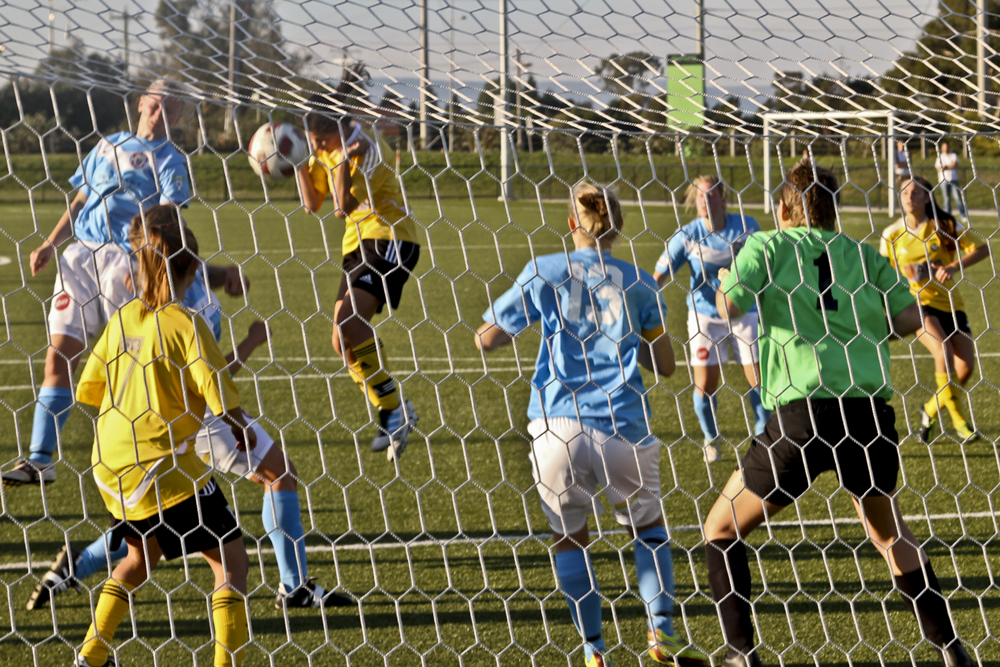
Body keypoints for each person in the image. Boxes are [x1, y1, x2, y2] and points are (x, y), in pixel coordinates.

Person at [702, 159, 971, 667]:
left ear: (785, 210)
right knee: (890, 534)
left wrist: (725, 281)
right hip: (867, 416)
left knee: (721, 528)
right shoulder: (864, 256)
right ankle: (950, 647)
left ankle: (740, 654)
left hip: (802, 415)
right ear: (833, 209)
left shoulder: (767, 246)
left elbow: (729, 307)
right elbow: (909, 318)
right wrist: (938, 348)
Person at [27, 207, 351, 612]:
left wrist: (225, 276)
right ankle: (294, 586)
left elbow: (100, 383)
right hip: (193, 417)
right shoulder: (175, 303)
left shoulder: (154, 282)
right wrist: (251, 344)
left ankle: (78, 566)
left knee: (153, 531)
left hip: (144, 427)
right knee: (276, 477)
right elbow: (205, 378)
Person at [476, 184, 706, 667]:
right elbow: (665, 365)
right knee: (648, 530)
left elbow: (488, 338)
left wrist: (523, 321)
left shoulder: (544, 270)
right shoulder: (638, 282)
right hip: (621, 424)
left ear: (571, 224)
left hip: (556, 426)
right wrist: (629, 336)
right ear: (618, 227)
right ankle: (661, 631)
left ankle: (594, 649)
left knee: (569, 538)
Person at [2, 80, 243, 486]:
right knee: (59, 355)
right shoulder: (107, 145)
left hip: (127, 264)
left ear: (179, 115)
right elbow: (80, 200)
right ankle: (40, 460)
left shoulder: (170, 160)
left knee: (135, 367)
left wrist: (151, 261)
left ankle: (170, 451)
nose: (161, 112)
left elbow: (168, 220)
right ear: (141, 103)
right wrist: (50, 243)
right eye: (156, 103)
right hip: (80, 258)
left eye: (171, 107)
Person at [71, 210, 252, 667]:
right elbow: (217, 393)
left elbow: (89, 388)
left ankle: (92, 654)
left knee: (140, 558)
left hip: (111, 465)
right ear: (192, 272)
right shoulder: (186, 323)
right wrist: (242, 427)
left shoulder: (123, 318)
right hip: (161, 466)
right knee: (230, 560)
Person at [297, 79, 420, 461]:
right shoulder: (324, 151)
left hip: (390, 238)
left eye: (320, 139)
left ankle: (394, 410)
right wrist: (297, 164)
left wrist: (343, 161)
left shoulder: (367, 147)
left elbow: (342, 206)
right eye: (312, 140)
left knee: (350, 323)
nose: (317, 146)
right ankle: (393, 409)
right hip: (356, 246)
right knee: (341, 340)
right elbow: (312, 204)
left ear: (337, 128)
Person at [652, 176, 768, 463]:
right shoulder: (687, 235)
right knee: (705, 385)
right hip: (704, 315)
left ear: (723, 197)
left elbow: (767, 266)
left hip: (743, 312)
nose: (704, 200)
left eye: (711, 194)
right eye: (699, 195)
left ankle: (764, 437)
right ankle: (711, 438)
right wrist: (648, 304)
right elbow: (659, 277)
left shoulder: (747, 226)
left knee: (758, 381)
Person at [880, 175, 989, 443]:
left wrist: (952, 266)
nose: (909, 197)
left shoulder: (946, 225)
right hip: (916, 305)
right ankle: (961, 423)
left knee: (964, 369)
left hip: (950, 304)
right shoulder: (891, 234)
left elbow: (981, 249)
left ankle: (928, 410)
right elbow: (882, 274)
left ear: (928, 197)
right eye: (905, 192)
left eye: (916, 192)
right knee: (943, 351)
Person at [934, 142, 967, 222]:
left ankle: (962, 215)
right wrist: (948, 166)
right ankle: (948, 216)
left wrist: (945, 167)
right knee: (946, 199)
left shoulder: (953, 155)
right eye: (944, 147)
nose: (946, 148)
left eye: (947, 146)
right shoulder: (940, 157)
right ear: (942, 148)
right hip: (943, 180)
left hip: (954, 179)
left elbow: (955, 164)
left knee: (957, 198)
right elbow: (938, 168)